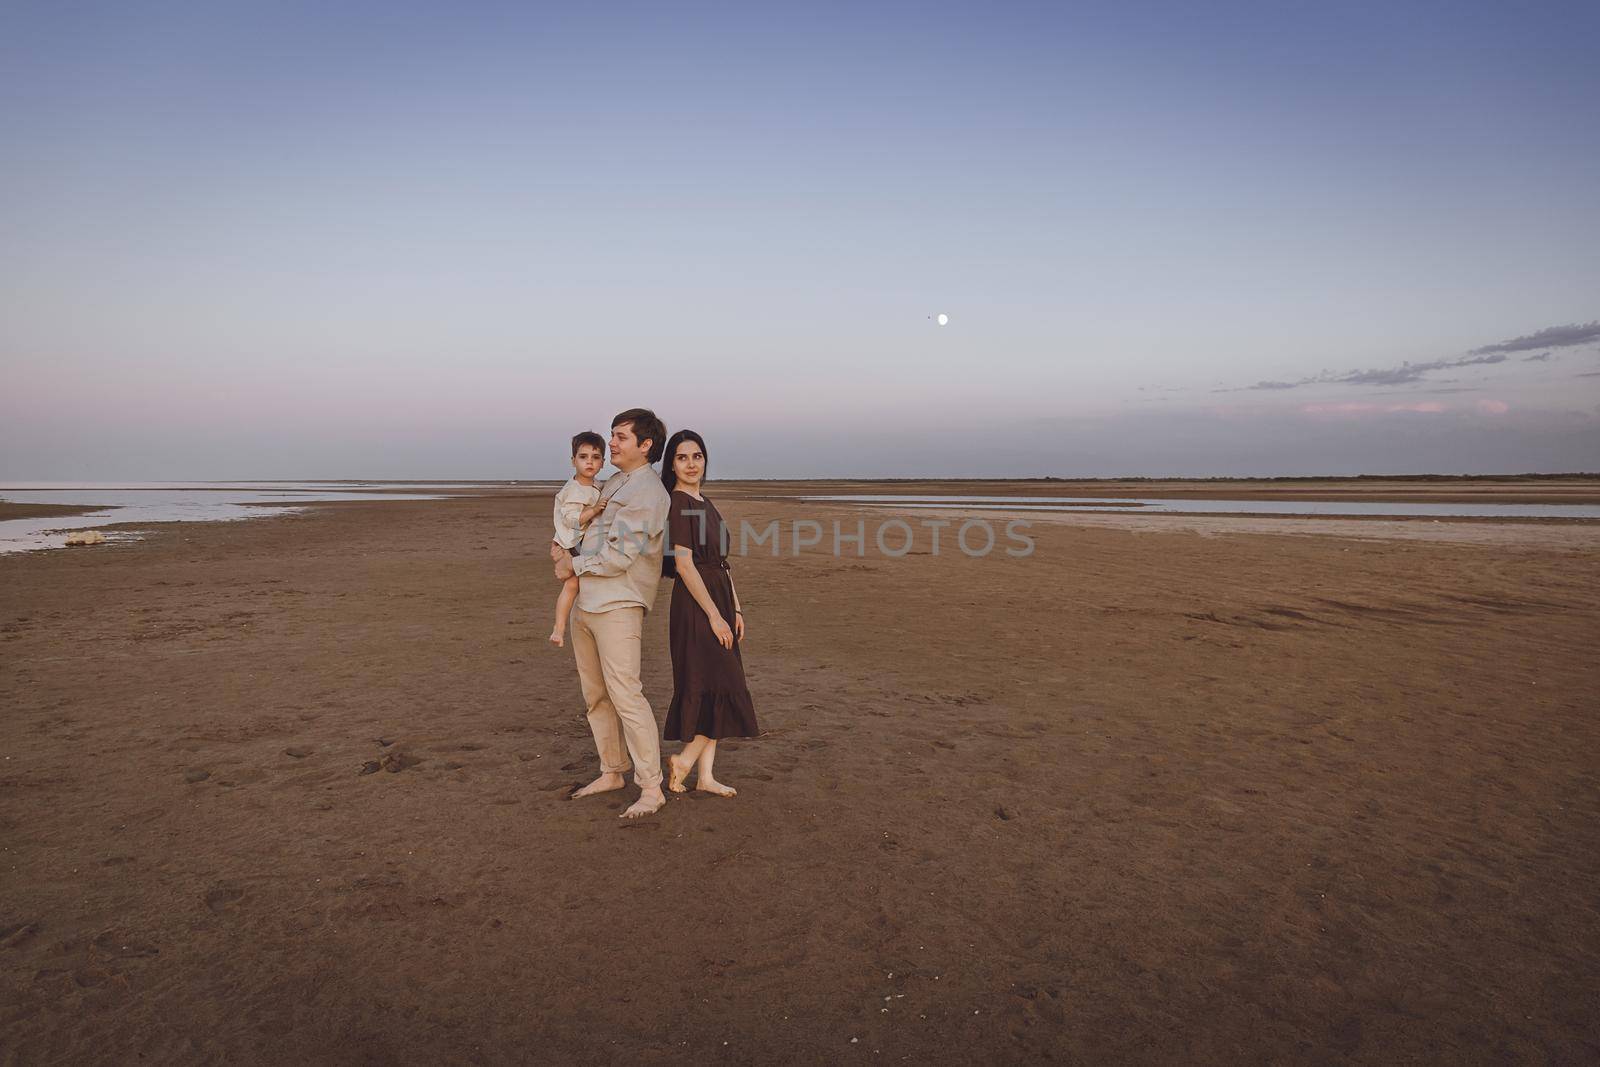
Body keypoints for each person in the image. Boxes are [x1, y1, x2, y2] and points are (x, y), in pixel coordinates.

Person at [552, 408, 672, 819]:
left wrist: (573, 565)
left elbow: (620, 555)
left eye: (621, 437)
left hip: (619, 604)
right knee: (595, 695)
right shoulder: (614, 482)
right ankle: (612, 770)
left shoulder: (649, 492)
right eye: (612, 435)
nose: (612, 444)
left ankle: (651, 787)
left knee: (627, 696)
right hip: (586, 602)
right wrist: (564, 547)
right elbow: (584, 529)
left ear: (645, 445)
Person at [659, 430, 759, 797]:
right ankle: (684, 761)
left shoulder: (706, 502)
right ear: (672, 464)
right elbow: (684, 565)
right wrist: (715, 616)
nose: (691, 464)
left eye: (697, 456)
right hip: (696, 605)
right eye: (683, 457)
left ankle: (705, 776)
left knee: (716, 687)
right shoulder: (679, 503)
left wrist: (735, 608)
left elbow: (722, 564)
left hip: (719, 596)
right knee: (722, 681)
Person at [548, 431, 606, 648]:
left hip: (577, 541)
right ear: (573, 461)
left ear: (602, 462)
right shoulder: (574, 490)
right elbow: (572, 520)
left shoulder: (593, 486)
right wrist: (593, 511)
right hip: (572, 543)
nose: (589, 461)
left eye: (596, 457)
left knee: (579, 585)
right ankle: (559, 628)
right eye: (583, 457)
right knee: (572, 585)